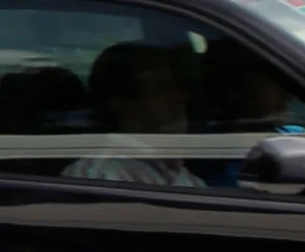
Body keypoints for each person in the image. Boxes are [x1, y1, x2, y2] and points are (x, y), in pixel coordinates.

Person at [59, 40, 205, 190]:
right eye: (161, 88)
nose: (182, 97)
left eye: (177, 86)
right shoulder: (100, 177)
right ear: (121, 102)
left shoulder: (183, 175)